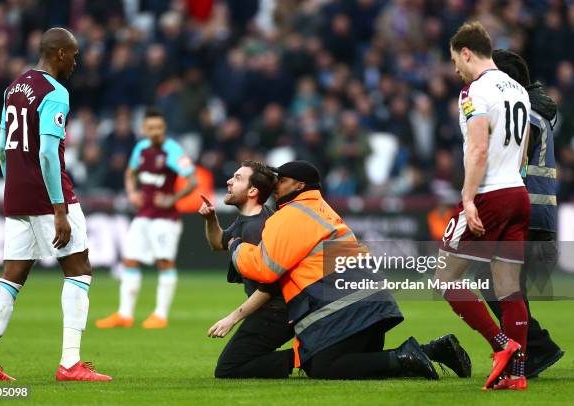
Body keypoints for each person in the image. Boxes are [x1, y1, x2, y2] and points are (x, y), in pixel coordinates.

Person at [230, 160, 471, 380]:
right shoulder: (320, 209)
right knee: (354, 362)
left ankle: (403, 358)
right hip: (370, 300)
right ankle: (436, 350)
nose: (275, 186)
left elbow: (265, 269)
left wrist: (237, 247)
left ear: (299, 185)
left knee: (324, 367)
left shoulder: (292, 214)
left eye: (282, 180)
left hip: (345, 306)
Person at [0, 28, 111, 382]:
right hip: (48, 195)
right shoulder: (55, 92)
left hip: (16, 193)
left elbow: (3, 148)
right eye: (74, 55)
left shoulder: (13, 88)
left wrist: (14, 184)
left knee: (12, 275)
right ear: (60, 54)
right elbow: (48, 153)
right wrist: (59, 209)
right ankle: (70, 364)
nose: (76, 62)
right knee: (78, 269)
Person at [435, 22, 531, 391]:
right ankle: (517, 374)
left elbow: (476, 148)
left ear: (467, 53)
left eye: (454, 59)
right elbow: (521, 153)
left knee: (445, 278)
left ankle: (501, 346)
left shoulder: (473, 91)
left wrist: (468, 199)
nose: (455, 68)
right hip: (517, 193)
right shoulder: (518, 89)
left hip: (489, 194)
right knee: (508, 289)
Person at [475, 49, 563, 378]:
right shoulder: (537, 113)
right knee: (510, 288)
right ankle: (529, 351)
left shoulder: (522, 116)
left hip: (521, 212)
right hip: (538, 213)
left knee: (495, 284)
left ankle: (535, 349)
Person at [96, 108, 197, 329]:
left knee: (164, 262)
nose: (155, 132)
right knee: (130, 260)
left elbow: (192, 181)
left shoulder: (172, 150)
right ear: (144, 129)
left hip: (165, 219)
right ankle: (125, 314)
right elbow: (130, 173)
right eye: (151, 128)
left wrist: (173, 199)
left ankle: (160, 314)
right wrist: (132, 192)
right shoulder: (140, 148)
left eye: (159, 128)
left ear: (164, 128)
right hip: (143, 215)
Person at [198, 160, 295, 378]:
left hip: (276, 312)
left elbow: (269, 287)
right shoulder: (251, 218)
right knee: (234, 365)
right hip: (276, 310)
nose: (229, 181)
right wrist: (211, 219)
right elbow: (218, 243)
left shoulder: (256, 227)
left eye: (238, 178)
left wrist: (232, 318)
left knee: (229, 368)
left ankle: (304, 357)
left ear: (252, 191)